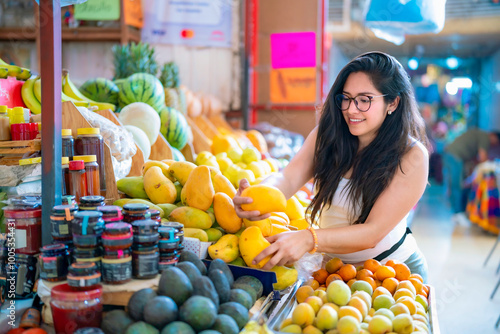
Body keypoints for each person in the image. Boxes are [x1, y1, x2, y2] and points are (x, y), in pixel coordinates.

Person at [234, 51, 430, 282]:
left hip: (391, 274)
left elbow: (372, 232)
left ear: (393, 102)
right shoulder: (328, 137)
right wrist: (256, 196)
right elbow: (287, 178)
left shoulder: (412, 155)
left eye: (364, 100)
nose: (351, 109)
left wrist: (309, 239)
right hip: (333, 271)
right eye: (346, 98)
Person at [443, 128, 500, 216]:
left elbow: (476, 159)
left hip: (450, 154)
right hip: (455, 156)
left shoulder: (478, 135)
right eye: (496, 141)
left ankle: (456, 211)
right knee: (457, 184)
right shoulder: (485, 137)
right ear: (493, 135)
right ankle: (457, 213)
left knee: (454, 184)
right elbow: (482, 158)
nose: (494, 144)